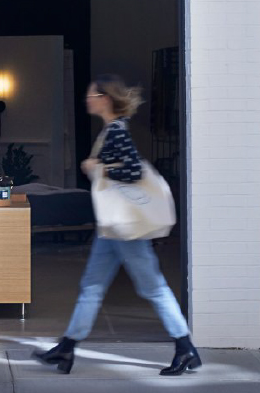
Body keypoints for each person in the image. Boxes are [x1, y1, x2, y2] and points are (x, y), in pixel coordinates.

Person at [33, 74, 201, 376]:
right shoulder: (111, 130)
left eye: (92, 94)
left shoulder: (116, 133)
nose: (87, 99)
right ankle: (67, 347)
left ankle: (185, 347)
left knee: (153, 288)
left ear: (105, 99)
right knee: (91, 287)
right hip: (112, 227)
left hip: (125, 229)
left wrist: (98, 168)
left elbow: (133, 171)